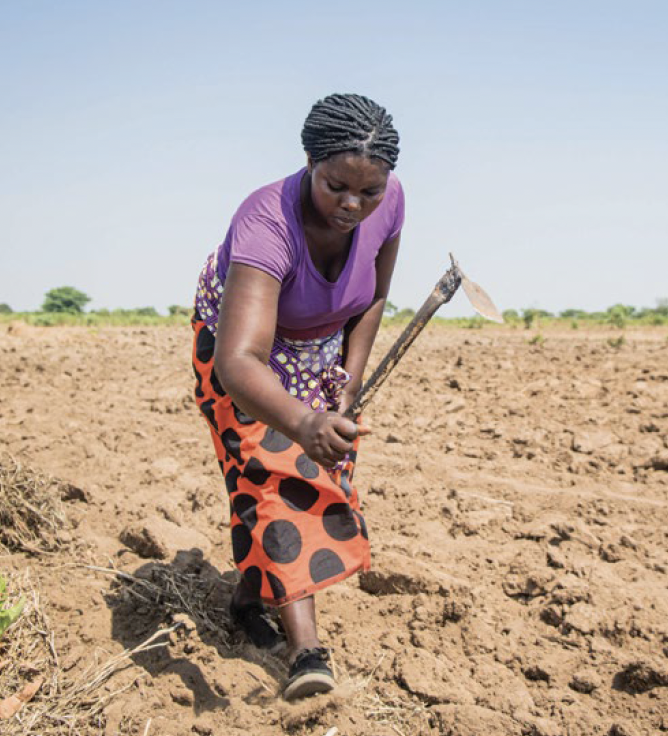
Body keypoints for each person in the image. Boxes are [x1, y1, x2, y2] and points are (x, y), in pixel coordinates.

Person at [190, 93, 403, 700]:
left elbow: (373, 298)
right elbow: (239, 361)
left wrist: (346, 389)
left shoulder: (390, 205)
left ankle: (248, 596)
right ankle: (307, 653)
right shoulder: (267, 222)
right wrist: (302, 421)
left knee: (324, 468)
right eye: (337, 186)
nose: (353, 206)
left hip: (321, 352)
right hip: (239, 353)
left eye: (370, 192)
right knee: (278, 476)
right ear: (309, 161)